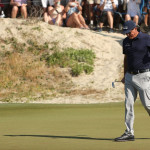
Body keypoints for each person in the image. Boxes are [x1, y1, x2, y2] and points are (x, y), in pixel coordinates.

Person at [114, 20, 150, 142]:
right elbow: (126, 58)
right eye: (126, 33)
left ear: (136, 28)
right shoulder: (126, 41)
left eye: (129, 32)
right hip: (130, 76)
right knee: (128, 104)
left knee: (148, 105)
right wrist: (124, 75)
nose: (128, 34)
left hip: (144, 76)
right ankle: (129, 132)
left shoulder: (146, 38)